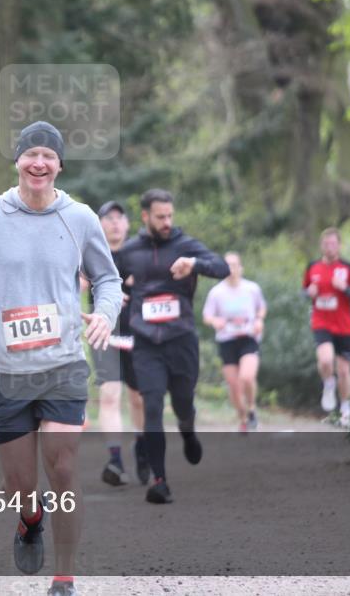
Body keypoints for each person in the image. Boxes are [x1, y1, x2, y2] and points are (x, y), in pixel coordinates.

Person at [0, 120, 122, 596]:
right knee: (19, 483)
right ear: (18, 162)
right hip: (4, 369)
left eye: (48, 156)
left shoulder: (80, 218)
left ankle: (64, 578)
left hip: (63, 364)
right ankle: (30, 518)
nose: (39, 163)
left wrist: (104, 313)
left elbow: (109, 279)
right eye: (31, 155)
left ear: (60, 165)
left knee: (62, 468)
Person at [116, 189, 230, 504]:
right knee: (152, 406)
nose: (167, 222)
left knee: (182, 403)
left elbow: (222, 267)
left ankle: (187, 429)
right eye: (160, 217)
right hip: (146, 344)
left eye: (170, 216)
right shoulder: (129, 251)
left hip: (181, 341)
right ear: (145, 216)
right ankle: (160, 481)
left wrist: (193, 264)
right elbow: (106, 278)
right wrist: (114, 293)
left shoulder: (184, 245)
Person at [83, 200, 148, 487]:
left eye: (120, 218)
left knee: (139, 399)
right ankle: (115, 461)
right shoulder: (91, 253)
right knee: (110, 396)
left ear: (128, 224)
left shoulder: (139, 254)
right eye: (108, 218)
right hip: (104, 332)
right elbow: (75, 284)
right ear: (99, 224)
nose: (114, 223)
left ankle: (144, 447)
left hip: (139, 335)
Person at [302, 227, 350, 425]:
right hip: (321, 322)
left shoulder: (349, 268)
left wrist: (345, 288)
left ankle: (346, 406)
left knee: (345, 371)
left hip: (344, 326)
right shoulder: (312, 267)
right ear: (321, 246)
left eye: (333, 243)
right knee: (325, 360)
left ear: (339, 245)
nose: (329, 247)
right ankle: (328, 383)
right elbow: (304, 291)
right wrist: (309, 293)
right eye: (326, 244)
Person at [202, 252, 267, 433]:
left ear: (241, 268)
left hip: (248, 338)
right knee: (234, 384)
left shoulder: (252, 288)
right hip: (227, 340)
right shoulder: (216, 292)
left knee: (246, 377)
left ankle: (252, 407)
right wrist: (215, 321)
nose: (231, 269)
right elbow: (207, 316)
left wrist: (259, 320)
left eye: (234, 265)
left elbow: (261, 307)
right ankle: (243, 418)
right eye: (227, 265)